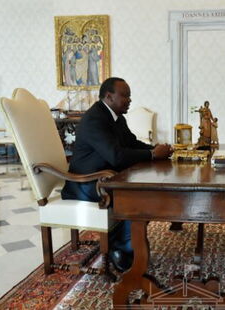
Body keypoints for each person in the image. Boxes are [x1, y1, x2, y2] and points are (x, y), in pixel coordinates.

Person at [61, 77, 173, 272]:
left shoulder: (117, 117)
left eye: (130, 96)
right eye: (125, 96)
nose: (129, 100)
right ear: (109, 96)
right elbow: (116, 156)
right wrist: (152, 155)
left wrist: (155, 150)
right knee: (132, 196)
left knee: (141, 192)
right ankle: (121, 249)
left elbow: (131, 143)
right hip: (84, 184)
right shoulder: (95, 118)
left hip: (104, 178)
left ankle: (126, 243)